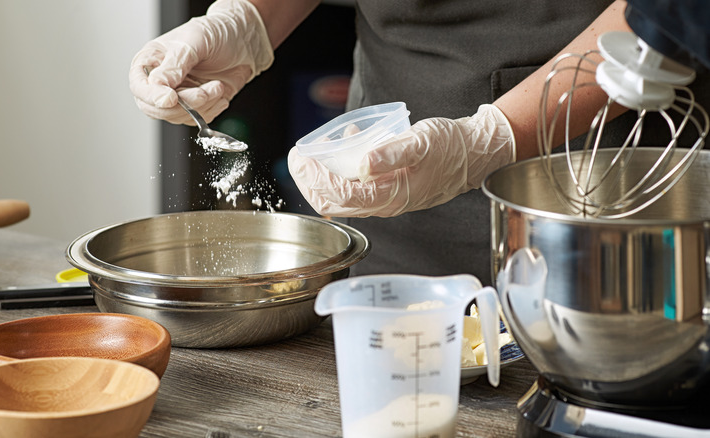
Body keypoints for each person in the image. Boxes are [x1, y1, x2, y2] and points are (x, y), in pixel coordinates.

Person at [129, 0, 708, 284]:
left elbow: (668, 18)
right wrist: (249, 19)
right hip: (390, 219)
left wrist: (490, 139)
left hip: (611, 196)